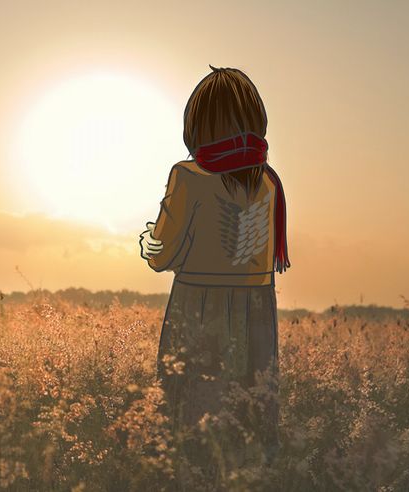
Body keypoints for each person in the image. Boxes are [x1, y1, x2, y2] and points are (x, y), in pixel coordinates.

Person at [139, 65, 290, 473]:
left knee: (190, 414)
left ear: (198, 124)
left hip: (199, 305)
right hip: (257, 310)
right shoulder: (269, 183)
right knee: (250, 410)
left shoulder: (188, 176)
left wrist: (147, 242)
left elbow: (162, 255)